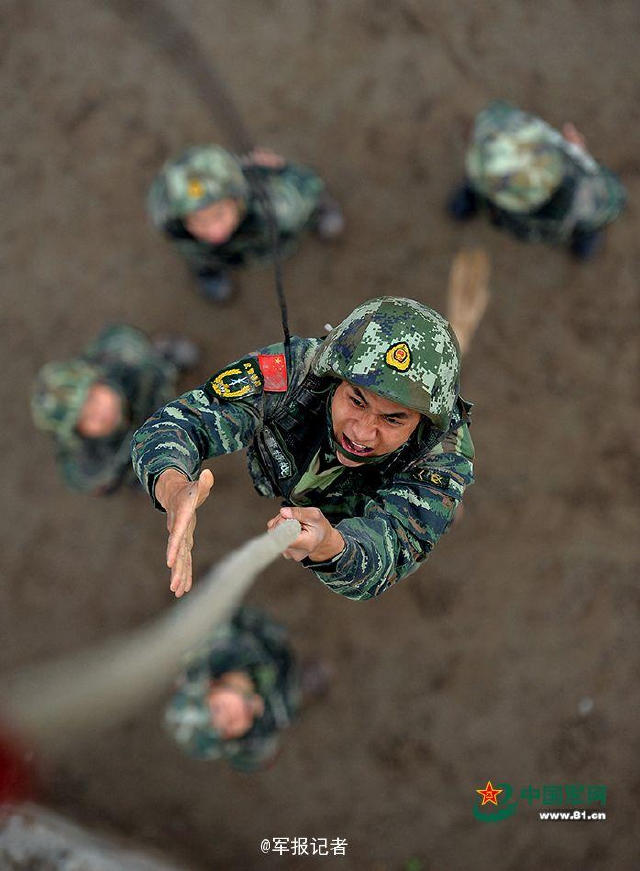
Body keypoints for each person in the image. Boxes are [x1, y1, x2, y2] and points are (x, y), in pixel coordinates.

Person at [132, 291, 486, 601]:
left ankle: (440, 509)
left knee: (433, 514)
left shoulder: (443, 457)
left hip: (358, 513)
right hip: (287, 480)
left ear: (424, 424)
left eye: (393, 419)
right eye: (357, 401)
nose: (362, 434)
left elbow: (390, 551)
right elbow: (183, 421)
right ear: (334, 376)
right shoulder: (294, 372)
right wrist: (172, 485)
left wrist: (331, 546)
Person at [147, 145, 344, 302]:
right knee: (199, 255)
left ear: (238, 201)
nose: (214, 231)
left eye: (219, 214)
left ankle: (321, 211)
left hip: (272, 238)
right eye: (198, 221)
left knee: (301, 209)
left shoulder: (277, 207)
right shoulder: (175, 228)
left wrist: (283, 170)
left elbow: (308, 185)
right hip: (228, 254)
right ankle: (210, 271)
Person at [448, 100, 626, 259]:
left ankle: (585, 236)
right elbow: (495, 115)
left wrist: (584, 162)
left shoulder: (587, 194)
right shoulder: (501, 131)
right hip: (508, 206)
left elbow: (613, 201)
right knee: (485, 179)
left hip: (556, 220)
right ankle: (475, 194)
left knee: (588, 222)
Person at [31, 325, 197, 495]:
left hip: (147, 394)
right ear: (79, 433)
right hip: (133, 451)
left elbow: (125, 338)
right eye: (86, 418)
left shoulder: (122, 359)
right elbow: (88, 481)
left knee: (160, 363)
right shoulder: (91, 462)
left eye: (92, 398)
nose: (99, 412)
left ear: (98, 380)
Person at [164, 606, 303, 772]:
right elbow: (258, 758)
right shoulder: (274, 713)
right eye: (225, 731)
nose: (230, 719)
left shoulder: (218, 642)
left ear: (209, 685)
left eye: (217, 710)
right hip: (281, 666)